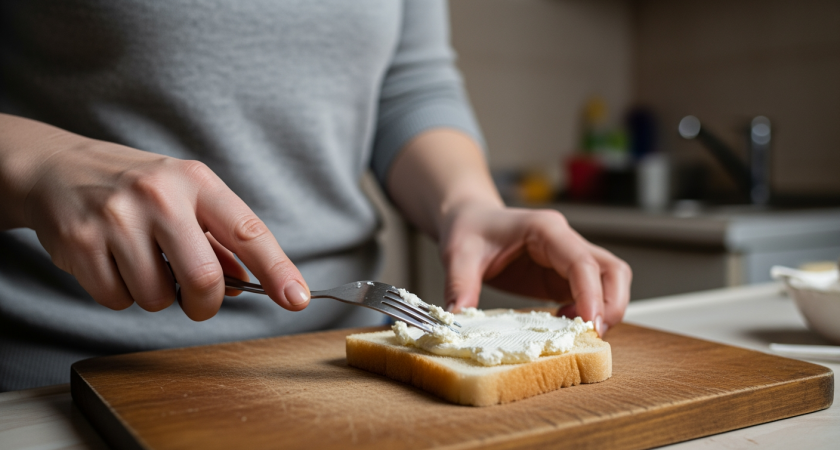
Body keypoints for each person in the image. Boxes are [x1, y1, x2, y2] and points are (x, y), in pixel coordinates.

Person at [0, 0, 631, 392]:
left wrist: (468, 202)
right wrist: (41, 164)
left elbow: (408, 85)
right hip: (60, 387)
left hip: (335, 373)